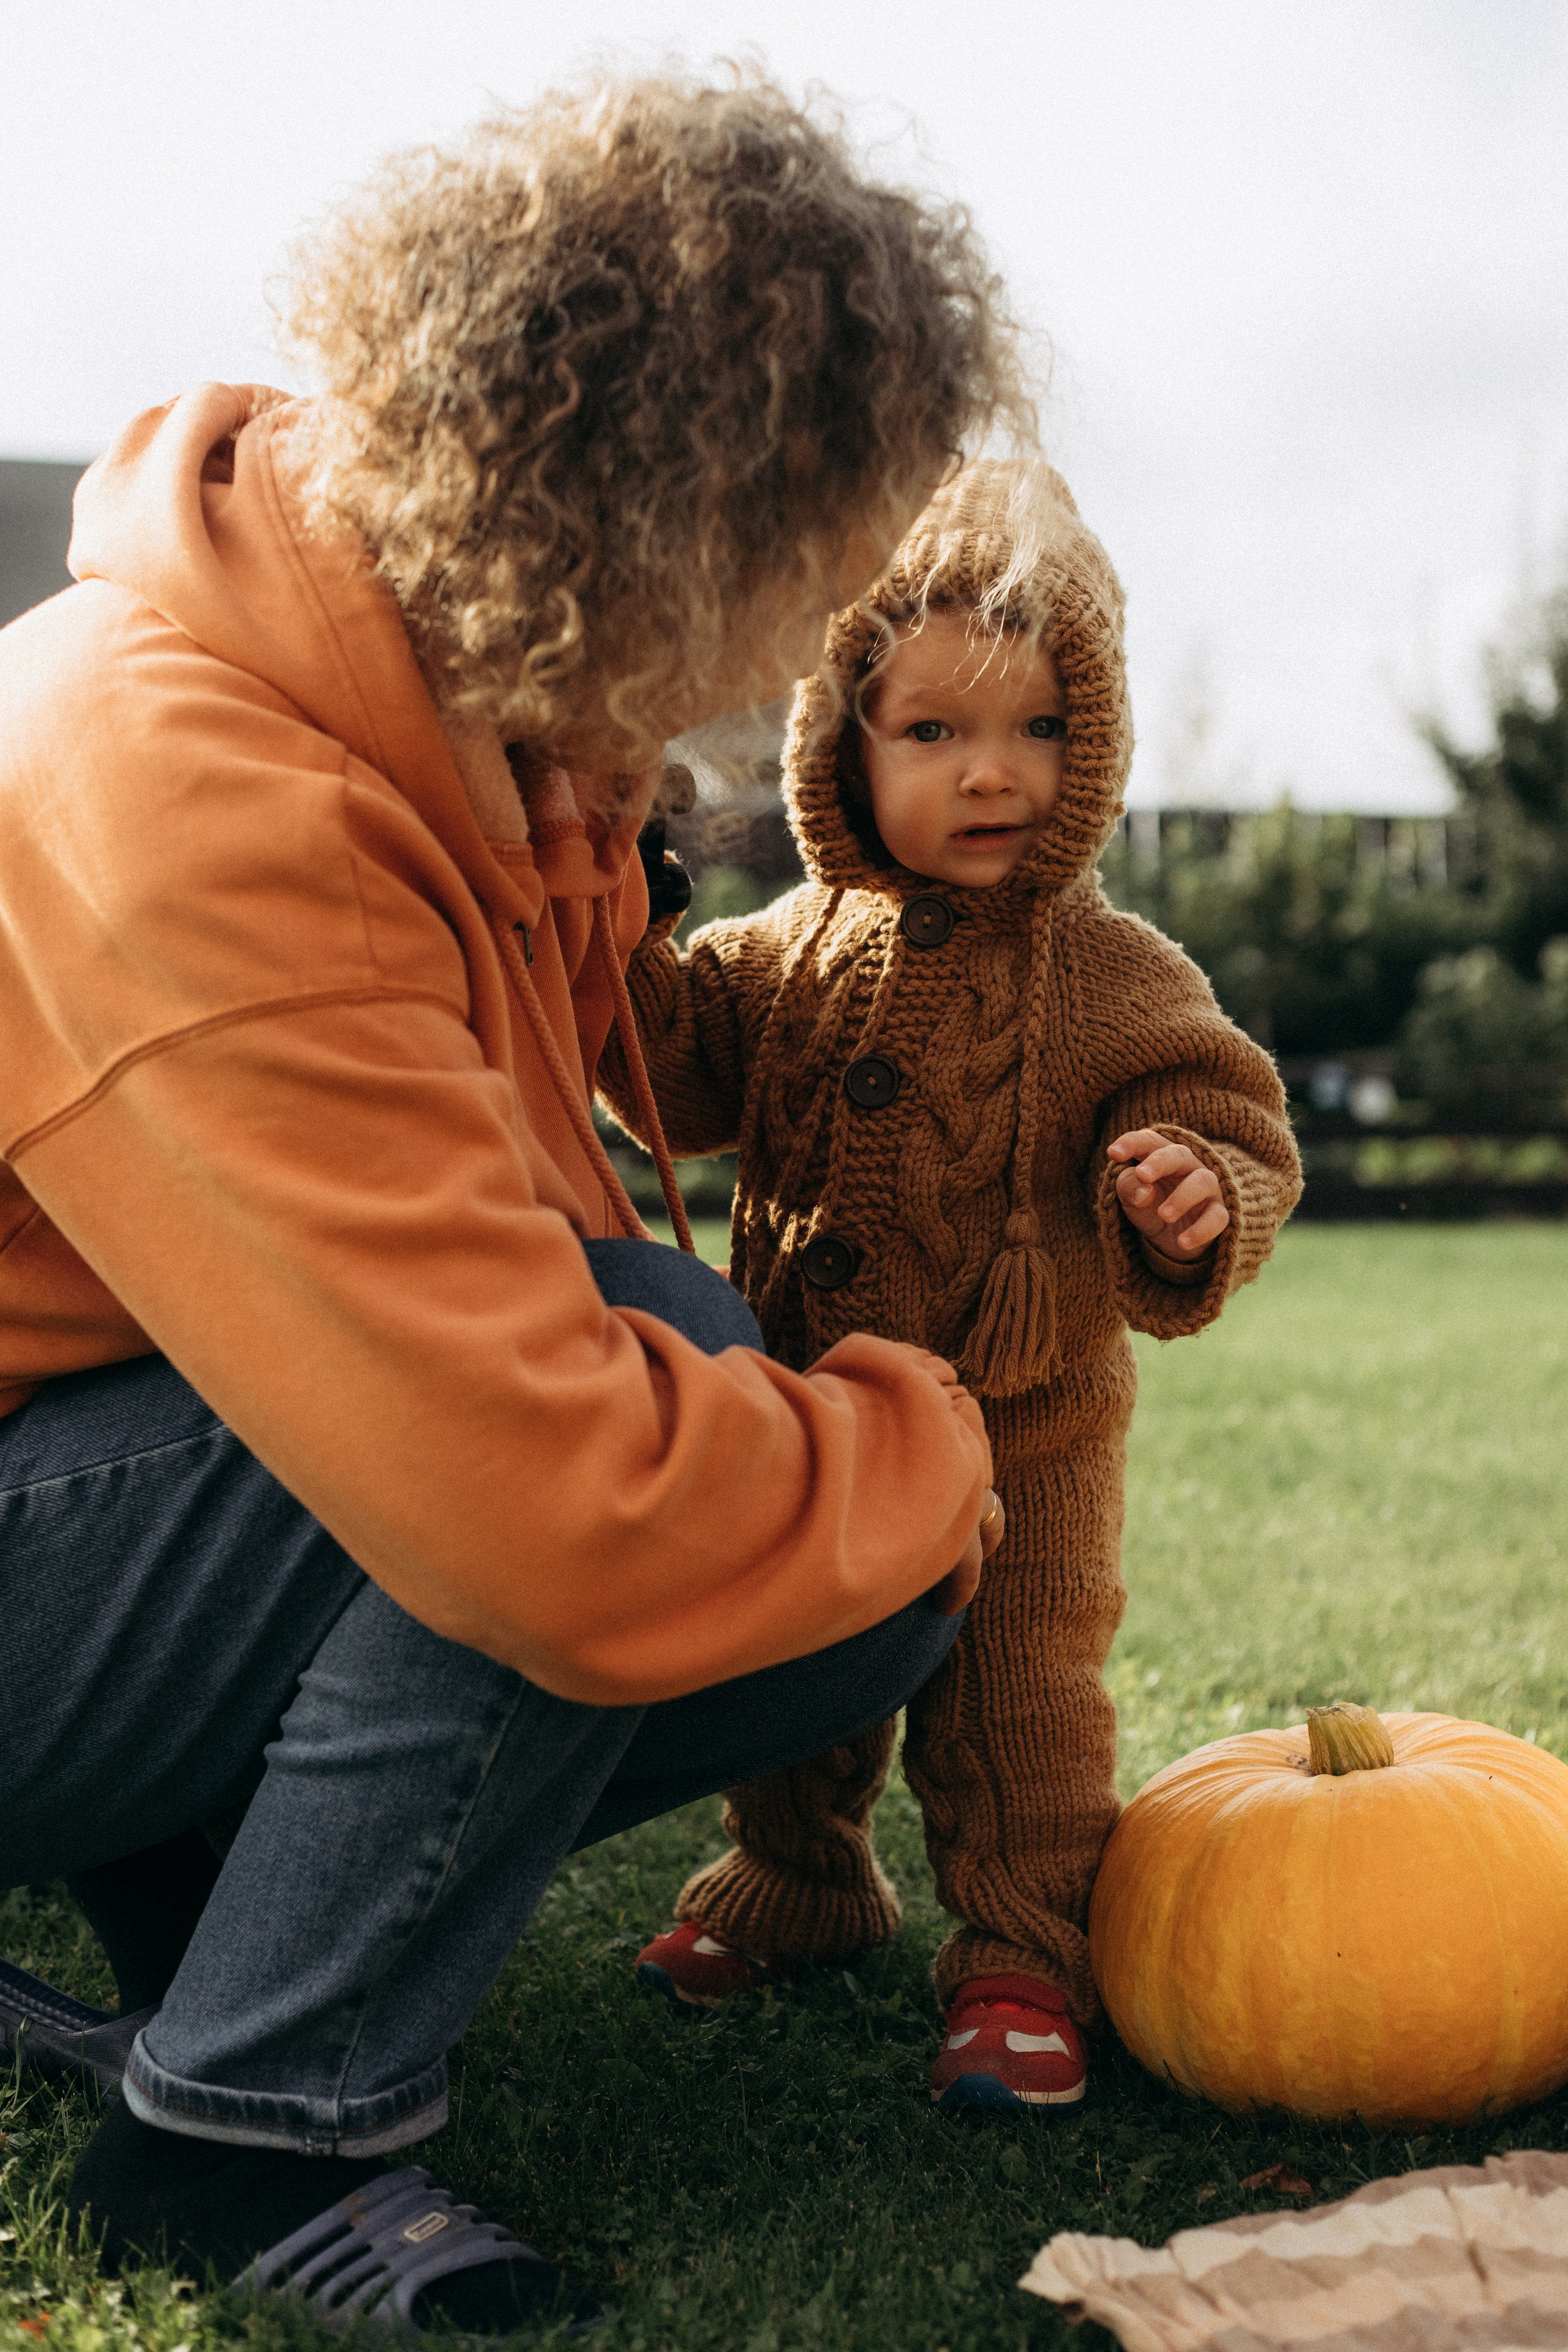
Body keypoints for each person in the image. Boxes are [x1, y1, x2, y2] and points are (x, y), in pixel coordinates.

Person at [0, 74, 1028, 2334]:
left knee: (745, 1469)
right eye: (810, 562)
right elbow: (544, 1488)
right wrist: (932, 1449)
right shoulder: (191, 787)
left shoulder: (445, 723)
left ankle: (194, 1936)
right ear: (676, 516)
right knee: (653, 1403)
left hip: (62, 1486)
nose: (809, 641)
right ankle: (240, 2133)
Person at [602, 459, 1303, 2115]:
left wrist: (1198, 1192)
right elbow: (672, 1067)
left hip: (1025, 1436)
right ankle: (798, 1876)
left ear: (1096, 743)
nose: (993, 772)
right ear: (842, 745)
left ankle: (1026, 1953)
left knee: (1019, 1707)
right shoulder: (792, 944)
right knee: (789, 1671)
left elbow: (1231, 1113)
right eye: (933, 732)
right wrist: (620, 924)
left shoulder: (1116, 973)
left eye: (1041, 729)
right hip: (813, 1415)